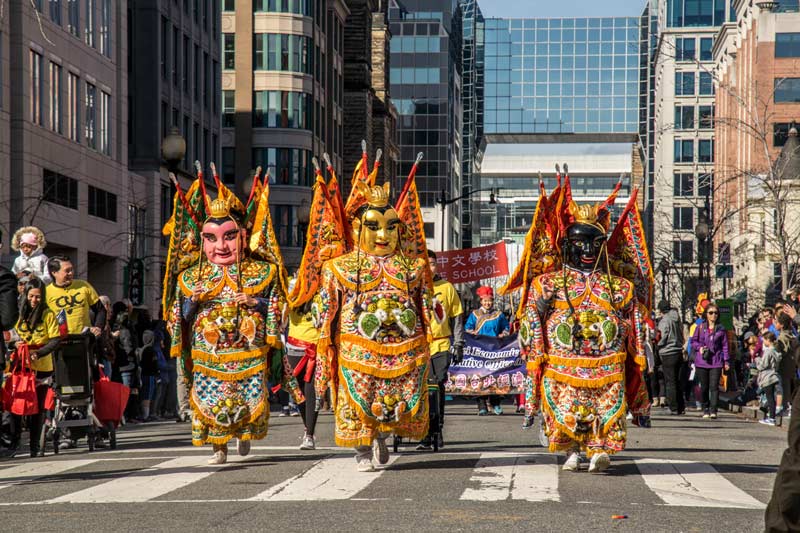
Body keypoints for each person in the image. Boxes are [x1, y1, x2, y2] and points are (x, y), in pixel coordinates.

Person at [507, 178, 651, 474]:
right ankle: (572, 448)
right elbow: (531, 318)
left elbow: (635, 321)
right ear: (565, 245)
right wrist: (539, 321)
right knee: (566, 405)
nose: (587, 249)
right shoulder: (547, 283)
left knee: (604, 403)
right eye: (579, 242)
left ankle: (598, 446)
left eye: (595, 243)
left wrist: (636, 349)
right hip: (562, 364)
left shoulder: (619, 287)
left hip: (606, 364)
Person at [164, 168, 299, 465]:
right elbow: (179, 318)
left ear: (245, 236)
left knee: (245, 396)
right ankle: (218, 446)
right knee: (209, 398)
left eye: (229, 237)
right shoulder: (190, 277)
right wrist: (193, 301)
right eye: (211, 239)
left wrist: (256, 301)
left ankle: (244, 432)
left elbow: (278, 307)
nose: (221, 247)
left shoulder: (263, 272)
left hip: (247, 349)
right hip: (208, 352)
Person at [314, 177, 433, 472]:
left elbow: (427, 306)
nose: (383, 234)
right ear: (357, 228)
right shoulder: (338, 267)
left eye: (391, 226)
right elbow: (325, 310)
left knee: (391, 402)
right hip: (357, 351)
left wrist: (431, 322)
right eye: (374, 226)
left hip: (402, 350)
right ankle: (362, 449)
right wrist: (324, 345)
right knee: (358, 399)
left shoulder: (413, 267)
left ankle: (380, 433)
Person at [418, 249, 464, 450]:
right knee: (420, 389)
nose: (429, 268)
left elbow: (457, 317)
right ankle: (422, 431)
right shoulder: (414, 287)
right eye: (425, 264)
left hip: (441, 344)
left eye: (433, 263)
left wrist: (459, 344)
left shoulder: (447, 288)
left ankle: (436, 429)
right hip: (418, 346)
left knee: (436, 388)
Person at [465, 285, 509, 416]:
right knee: (479, 377)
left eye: (489, 300)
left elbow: (506, 328)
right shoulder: (474, 314)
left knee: (494, 377)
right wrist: (472, 332)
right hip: (479, 350)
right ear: (481, 301)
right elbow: (467, 328)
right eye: (485, 301)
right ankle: (482, 405)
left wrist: (503, 334)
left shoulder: (498, 315)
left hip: (494, 349)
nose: (487, 303)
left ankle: (496, 404)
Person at [285, 298, 321, 450]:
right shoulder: (291, 286)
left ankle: (309, 434)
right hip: (294, 345)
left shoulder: (323, 287)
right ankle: (308, 426)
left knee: (311, 389)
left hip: (317, 345)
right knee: (297, 391)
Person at [689, 303, 730, 419]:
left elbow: (725, 346)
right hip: (702, 361)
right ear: (706, 314)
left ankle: (714, 410)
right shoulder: (700, 327)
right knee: (704, 387)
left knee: (714, 386)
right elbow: (693, 342)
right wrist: (700, 348)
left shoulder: (721, 329)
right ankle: (705, 408)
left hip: (716, 361)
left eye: (716, 313)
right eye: (711, 313)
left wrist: (726, 361)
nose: (713, 315)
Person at [774, 311, 798, 417]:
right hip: (791, 364)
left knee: (781, 387)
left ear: (782, 325)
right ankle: (787, 407)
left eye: (776, 322)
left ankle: (783, 407)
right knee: (787, 386)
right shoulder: (791, 334)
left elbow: (778, 350)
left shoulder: (782, 337)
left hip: (783, 365)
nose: (775, 324)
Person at [757, 331, 781, 426]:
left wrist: (757, 360)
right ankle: (770, 416)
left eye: (764, 340)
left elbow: (763, 365)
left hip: (767, 377)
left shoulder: (768, 352)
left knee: (769, 398)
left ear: (768, 340)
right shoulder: (776, 351)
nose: (763, 342)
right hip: (774, 375)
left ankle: (771, 418)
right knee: (770, 397)